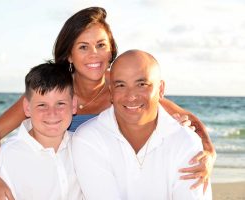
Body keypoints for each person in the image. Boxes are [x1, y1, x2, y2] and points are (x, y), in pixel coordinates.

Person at [0, 7, 215, 200]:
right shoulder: (56, 93)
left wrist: (209, 152)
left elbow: (187, 118)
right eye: (84, 47)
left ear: (111, 49)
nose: (94, 54)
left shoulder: (123, 88)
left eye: (101, 45)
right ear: (69, 55)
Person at [72, 50, 212, 199]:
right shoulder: (88, 138)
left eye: (142, 84)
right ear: (111, 92)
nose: (131, 96)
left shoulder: (186, 141)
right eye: (121, 85)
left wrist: (210, 151)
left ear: (161, 89)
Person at [0, 62, 83, 200]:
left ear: (73, 105)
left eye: (60, 103)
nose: (52, 113)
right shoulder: (7, 157)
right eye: (42, 105)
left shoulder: (81, 146)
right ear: (27, 108)